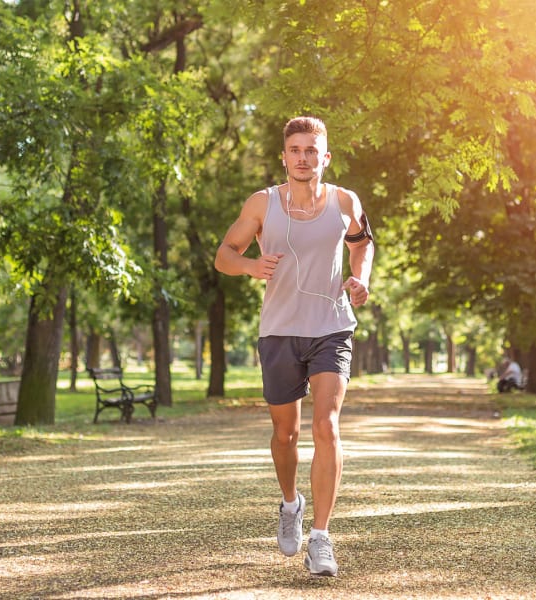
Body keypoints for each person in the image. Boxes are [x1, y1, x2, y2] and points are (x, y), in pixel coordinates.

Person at [214, 116, 375, 577]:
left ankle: (321, 539)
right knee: (286, 435)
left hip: (331, 327)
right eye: (295, 150)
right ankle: (291, 503)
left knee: (326, 426)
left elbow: (363, 244)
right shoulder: (262, 203)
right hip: (280, 331)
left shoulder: (345, 201)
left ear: (325, 157)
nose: (303, 158)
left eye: (312, 151)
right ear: (284, 157)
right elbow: (224, 255)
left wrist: (359, 279)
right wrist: (250, 267)